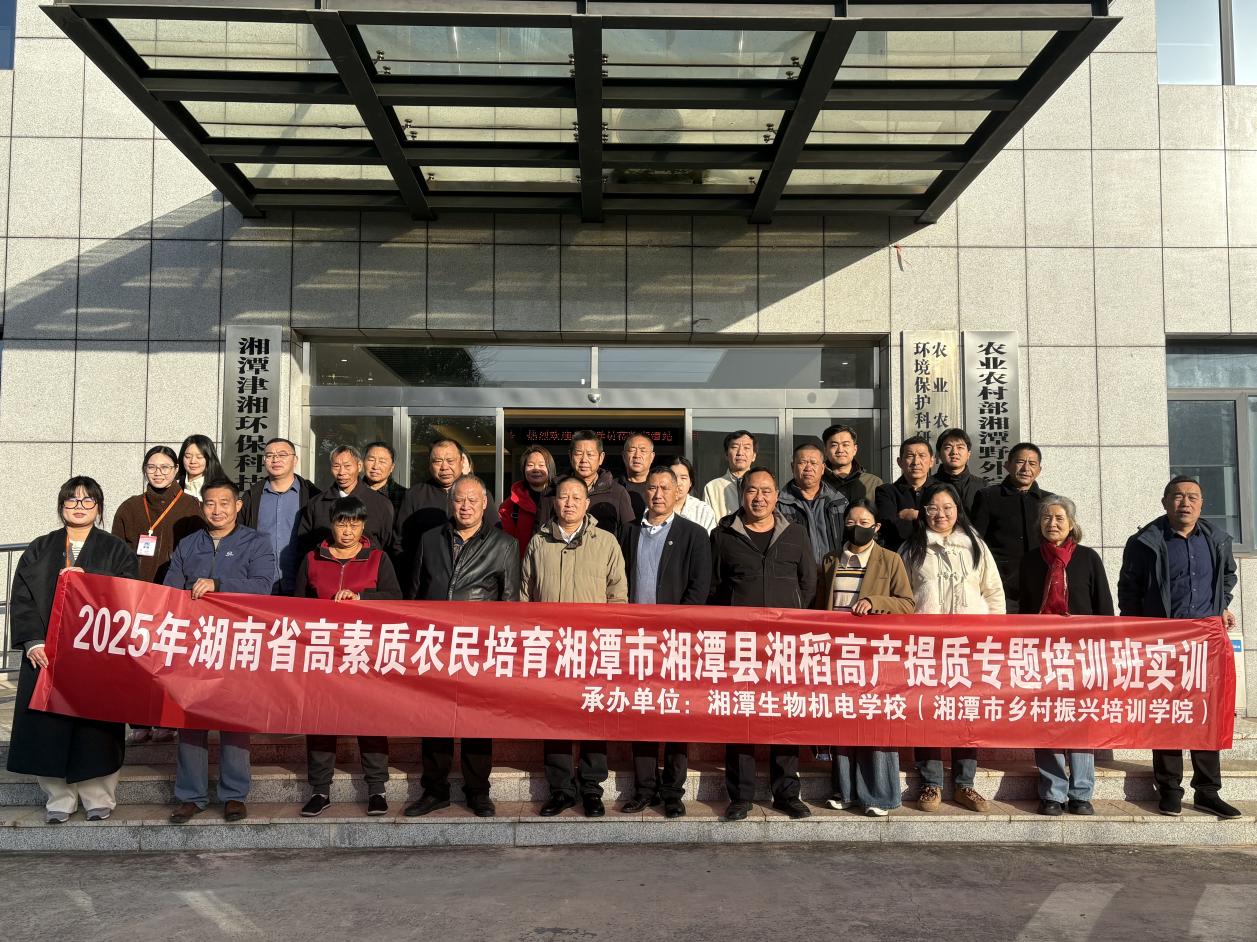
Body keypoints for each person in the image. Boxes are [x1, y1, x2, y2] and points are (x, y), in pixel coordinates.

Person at [6, 477, 139, 824]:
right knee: (49, 727)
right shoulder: (40, 548)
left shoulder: (116, 549)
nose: (79, 506)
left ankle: (99, 797)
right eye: (72, 500)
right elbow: (21, 598)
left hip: (96, 654)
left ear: (99, 506)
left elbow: (130, 593)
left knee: (95, 729)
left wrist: (90, 578)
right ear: (61, 505)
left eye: (87, 500)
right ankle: (59, 798)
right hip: (47, 655)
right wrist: (32, 641)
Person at [1118, 476, 1241, 819]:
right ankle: (1170, 789)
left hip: (1205, 642)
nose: (1185, 502)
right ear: (1165, 502)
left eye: (1192, 497)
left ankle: (1208, 791)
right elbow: (1128, 588)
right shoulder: (1145, 542)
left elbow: (1227, 576)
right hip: (1163, 642)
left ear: (1202, 504)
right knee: (1167, 715)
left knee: (1205, 715)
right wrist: (1136, 630)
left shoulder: (1216, 539)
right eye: (1178, 496)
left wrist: (1220, 605)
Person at [164, 478, 278, 824]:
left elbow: (263, 587)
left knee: (233, 718)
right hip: (194, 642)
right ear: (202, 507)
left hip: (236, 641)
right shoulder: (188, 544)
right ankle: (191, 795)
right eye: (210, 503)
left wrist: (219, 586)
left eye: (225, 503)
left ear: (238, 506)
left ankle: (234, 794)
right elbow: (170, 590)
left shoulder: (256, 542)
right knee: (189, 719)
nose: (217, 510)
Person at [406, 475, 520, 819]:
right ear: (450, 503)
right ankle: (434, 790)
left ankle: (478, 791)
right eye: (459, 500)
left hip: (478, 648)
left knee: (477, 723)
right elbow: (415, 592)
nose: (465, 506)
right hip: (435, 645)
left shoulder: (504, 545)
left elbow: (509, 602)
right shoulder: (430, 540)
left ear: (485, 504)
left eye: (473, 500)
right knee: (434, 721)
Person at [709, 467, 817, 821]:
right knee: (741, 718)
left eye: (766, 491)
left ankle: (786, 793)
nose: (759, 498)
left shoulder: (796, 533)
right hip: (739, 646)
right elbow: (714, 588)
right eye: (752, 490)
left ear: (777, 496)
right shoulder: (723, 535)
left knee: (783, 717)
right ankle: (740, 796)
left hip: (784, 647)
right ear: (742, 494)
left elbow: (808, 584)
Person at [522, 476, 628, 817]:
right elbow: (525, 594)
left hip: (593, 648)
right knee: (554, 719)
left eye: (575, 497)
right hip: (551, 648)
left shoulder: (606, 542)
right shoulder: (539, 542)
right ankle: (561, 789)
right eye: (563, 497)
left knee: (593, 716)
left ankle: (592, 789)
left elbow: (618, 595)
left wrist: (610, 641)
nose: (568, 503)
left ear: (587, 504)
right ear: (554, 502)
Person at [899, 483, 1004, 814]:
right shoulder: (911, 548)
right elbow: (901, 596)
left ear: (958, 510)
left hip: (968, 647)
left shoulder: (976, 546)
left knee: (966, 712)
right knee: (927, 711)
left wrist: (993, 638)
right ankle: (931, 782)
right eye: (932, 507)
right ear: (923, 511)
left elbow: (993, 593)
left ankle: (964, 783)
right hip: (926, 647)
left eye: (947, 507)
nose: (940, 514)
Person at [293, 496, 401, 818]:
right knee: (321, 720)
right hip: (323, 653)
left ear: (364, 525)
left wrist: (362, 597)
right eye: (342, 523)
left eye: (355, 524)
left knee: (370, 719)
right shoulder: (312, 559)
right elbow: (297, 605)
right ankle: (320, 790)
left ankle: (377, 789)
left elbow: (396, 598)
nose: (348, 530)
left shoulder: (378, 559)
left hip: (364, 652)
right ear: (332, 524)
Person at [619, 466, 711, 819]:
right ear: (645, 492)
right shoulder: (629, 531)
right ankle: (644, 789)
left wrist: (677, 628)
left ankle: (673, 791)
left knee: (675, 714)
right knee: (642, 714)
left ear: (677, 493)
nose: (658, 494)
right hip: (637, 641)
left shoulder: (694, 534)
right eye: (652, 488)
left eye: (665, 488)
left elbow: (699, 588)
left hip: (676, 642)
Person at [815, 499, 914, 817]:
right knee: (843, 721)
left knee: (875, 721)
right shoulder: (831, 560)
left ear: (877, 527)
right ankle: (845, 791)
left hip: (876, 655)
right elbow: (819, 605)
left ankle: (880, 795)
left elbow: (907, 604)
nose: (857, 527)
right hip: (839, 654)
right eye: (851, 522)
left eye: (864, 522)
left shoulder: (890, 559)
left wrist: (874, 601)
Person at [1018, 495, 1112, 817]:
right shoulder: (1031, 561)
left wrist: (1106, 650)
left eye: (1059, 518)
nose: (1053, 523)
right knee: (1047, 720)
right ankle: (1052, 792)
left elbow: (1104, 607)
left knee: (1081, 719)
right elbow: (1023, 608)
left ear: (1072, 524)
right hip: (1042, 654)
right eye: (1047, 518)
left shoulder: (1088, 558)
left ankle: (1081, 792)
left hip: (1082, 654)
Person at [111, 445, 205, 744]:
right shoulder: (130, 507)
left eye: (165, 467)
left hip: (174, 596)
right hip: (136, 595)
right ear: (144, 470)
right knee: (137, 660)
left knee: (169, 660)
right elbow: (117, 552)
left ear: (177, 470)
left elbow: (200, 553)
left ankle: (168, 721)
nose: (158, 473)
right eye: (152, 467)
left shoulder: (191, 506)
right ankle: (139, 721)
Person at [972, 442, 1051, 610]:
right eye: (1020, 462)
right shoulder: (988, 496)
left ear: (1039, 470)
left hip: (1042, 582)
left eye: (1032, 463)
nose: (1026, 468)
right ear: (1007, 465)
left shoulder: (1049, 501)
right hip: (1000, 585)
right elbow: (976, 541)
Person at [241, 437, 320, 595]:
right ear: (264, 461)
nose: (275, 459)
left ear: (295, 460)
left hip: (301, 583)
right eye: (270, 455)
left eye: (282, 455)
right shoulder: (251, 497)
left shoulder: (313, 496)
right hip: (261, 584)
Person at [536, 430, 634, 537]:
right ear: (570, 456)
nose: (584, 460)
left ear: (601, 458)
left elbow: (627, 536)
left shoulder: (618, 493)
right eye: (578, 454)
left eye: (590, 454)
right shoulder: (553, 491)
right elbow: (540, 533)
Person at [301, 445, 395, 555]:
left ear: (359, 466)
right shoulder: (317, 503)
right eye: (336, 466)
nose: (341, 472)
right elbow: (305, 543)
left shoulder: (380, 503)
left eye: (347, 466)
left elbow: (388, 545)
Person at [395, 438, 467, 579]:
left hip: (469, 576)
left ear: (461, 462)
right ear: (429, 465)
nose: (444, 467)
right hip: (424, 577)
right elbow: (400, 541)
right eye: (437, 461)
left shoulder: (476, 493)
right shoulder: (415, 495)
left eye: (450, 461)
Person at [776, 441, 849, 567]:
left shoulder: (839, 502)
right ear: (792, 467)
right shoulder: (779, 504)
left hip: (834, 572)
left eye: (814, 463)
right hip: (795, 573)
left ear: (823, 468)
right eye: (802, 462)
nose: (808, 468)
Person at [875, 436, 933, 553]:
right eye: (910, 456)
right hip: (899, 556)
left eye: (922, 456)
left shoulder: (942, 490)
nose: (916, 462)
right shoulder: (886, 492)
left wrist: (914, 515)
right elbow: (890, 530)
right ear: (899, 462)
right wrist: (930, 519)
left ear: (932, 461)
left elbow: (949, 524)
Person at [498, 445, 556, 558]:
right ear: (523, 469)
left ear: (550, 468)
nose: (536, 469)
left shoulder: (561, 500)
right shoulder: (509, 506)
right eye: (530, 465)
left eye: (541, 465)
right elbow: (505, 545)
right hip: (521, 564)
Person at [822, 424, 883, 506]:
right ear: (825, 450)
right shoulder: (817, 480)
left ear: (855, 449)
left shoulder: (873, 482)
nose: (840, 450)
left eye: (845, 445)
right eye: (834, 445)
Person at [702, 430, 757, 520]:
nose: (740, 453)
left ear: (754, 456)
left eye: (746, 448)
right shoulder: (712, 487)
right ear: (726, 455)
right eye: (735, 447)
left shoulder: (763, 485)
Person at [930, 428, 983, 515]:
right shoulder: (928, 485)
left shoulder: (981, 486)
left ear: (968, 454)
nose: (954, 452)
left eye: (960, 447)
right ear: (938, 454)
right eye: (948, 447)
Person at [670, 455, 717, 534]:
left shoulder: (703, 511)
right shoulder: (654, 509)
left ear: (690, 482)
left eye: (683, 478)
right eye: (673, 477)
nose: (678, 483)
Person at [363, 440, 408, 515]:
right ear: (363, 463)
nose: (375, 466)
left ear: (392, 467)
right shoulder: (352, 491)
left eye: (382, 461)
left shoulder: (404, 495)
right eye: (371, 460)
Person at [177, 434, 225, 502]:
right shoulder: (174, 485)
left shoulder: (221, 488)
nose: (193, 461)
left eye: (199, 457)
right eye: (188, 457)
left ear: (209, 459)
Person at [618, 433, 655, 520]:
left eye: (643, 451)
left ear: (652, 456)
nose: (637, 456)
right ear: (624, 456)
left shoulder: (659, 488)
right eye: (632, 450)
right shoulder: (613, 487)